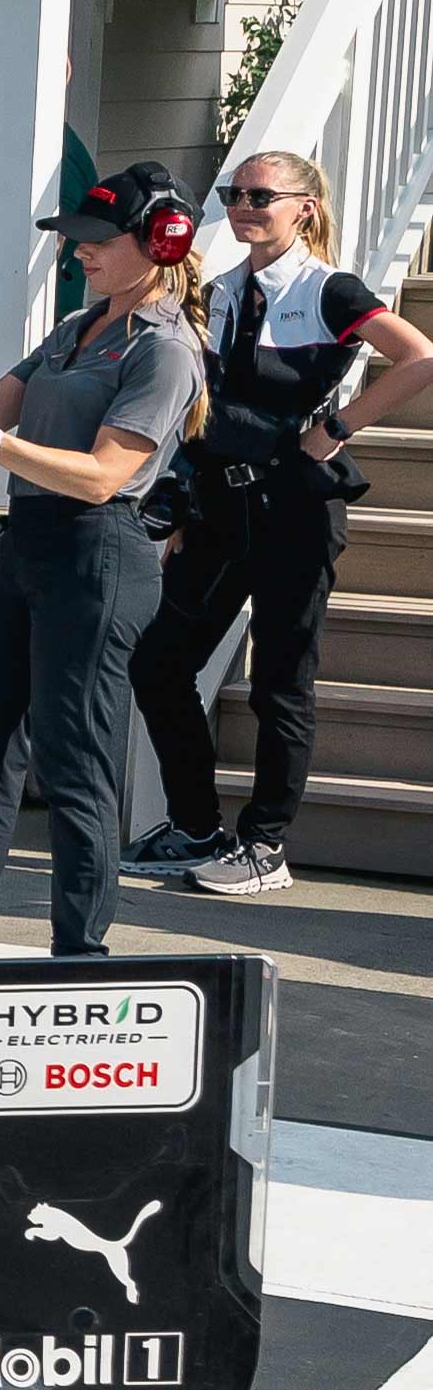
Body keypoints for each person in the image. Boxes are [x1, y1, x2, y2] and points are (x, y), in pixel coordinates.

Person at [0, 166, 213, 962]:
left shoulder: (165, 350)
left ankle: (79, 954)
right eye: (76, 239)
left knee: (75, 765)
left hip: (98, 551)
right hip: (29, 540)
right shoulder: (76, 326)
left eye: (96, 241)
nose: (79, 254)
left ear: (161, 242)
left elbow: (105, 473)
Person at [127, 149, 433, 894]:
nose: (242, 205)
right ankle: (196, 826)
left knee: (280, 682)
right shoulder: (215, 289)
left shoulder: (323, 288)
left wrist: (334, 427)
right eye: (234, 193)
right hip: (220, 505)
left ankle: (264, 844)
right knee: (158, 661)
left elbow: (419, 357)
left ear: (303, 206)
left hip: (296, 504)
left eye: (260, 194)